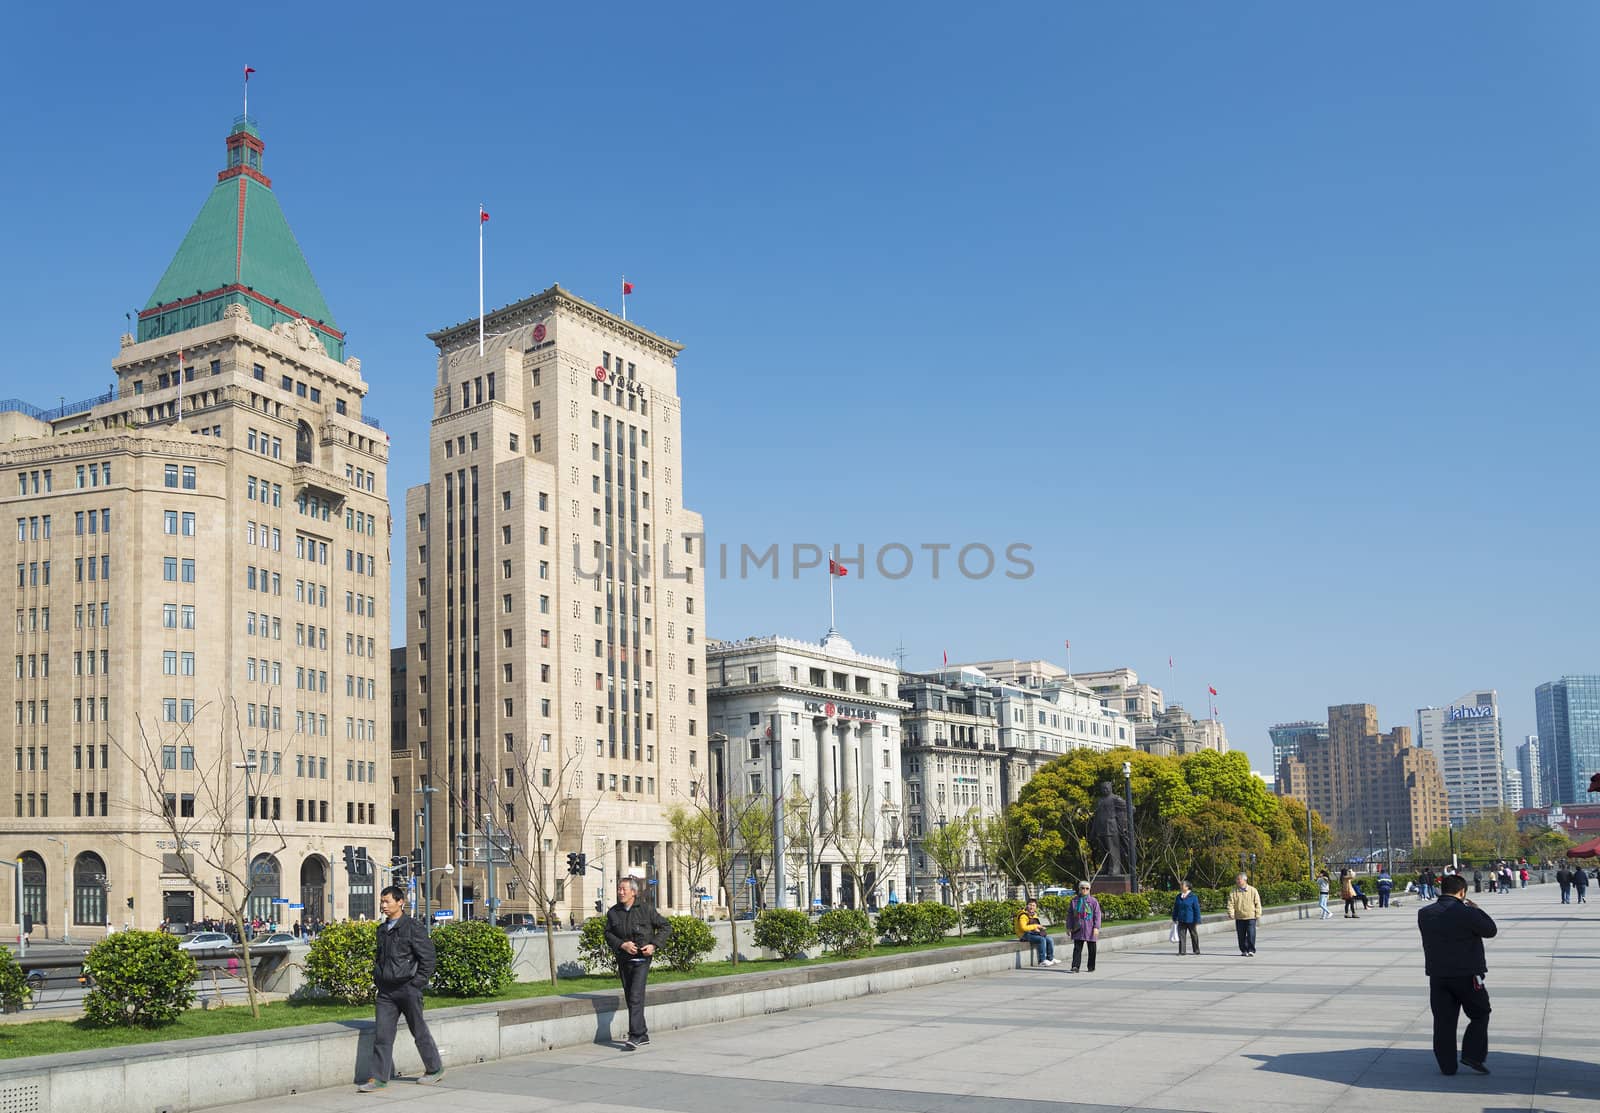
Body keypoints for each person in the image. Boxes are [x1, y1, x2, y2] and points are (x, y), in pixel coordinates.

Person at [357, 885, 444, 1093]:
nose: (383, 905)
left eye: (387, 901)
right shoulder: (382, 929)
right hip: (386, 992)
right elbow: (381, 958)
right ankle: (378, 1078)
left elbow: (428, 958)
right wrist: (379, 978)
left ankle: (434, 1069)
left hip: (408, 988)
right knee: (383, 1035)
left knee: (419, 1031)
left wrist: (417, 983)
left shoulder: (412, 927)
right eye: (382, 901)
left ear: (400, 902)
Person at [1417, 873, 1496, 1076]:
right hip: (1467, 974)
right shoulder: (1467, 913)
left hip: (1438, 975)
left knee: (1444, 1021)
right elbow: (1490, 930)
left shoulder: (1425, 913)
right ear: (1462, 892)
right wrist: (1478, 911)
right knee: (1480, 1013)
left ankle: (1447, 1066)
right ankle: (1472, 1054)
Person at [605, 876, 672, 1049]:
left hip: (642, 960)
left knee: (635, 995)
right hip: (624, 959)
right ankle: (642, 1034)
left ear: (633, 892)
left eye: (623, 889)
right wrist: (622, 945)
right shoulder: (613, 912)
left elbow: (665, 927)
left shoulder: (646, 909)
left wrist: (654, 945)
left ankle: (634, 1035)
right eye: (619, 889)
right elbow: (608, 934)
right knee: (631, 996)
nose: (620, 892)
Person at [1067, 881, 1102, 972]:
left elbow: (1097, 915)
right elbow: (1070, 915)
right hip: (1078, 928)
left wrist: (1096, 927)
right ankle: (1075, 966)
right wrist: (1069, 927)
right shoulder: (1074, 901)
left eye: (1087, 888)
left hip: (1090, 928)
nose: (1084, 890)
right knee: (1077, 948)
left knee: (1092, 949)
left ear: (1089, 890)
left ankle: (1091, 966)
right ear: (1079, 889)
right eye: (1082, 888)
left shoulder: (1093, 901)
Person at [1227, 872, 1262, 956]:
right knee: (1241, 936)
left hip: (1251, 916)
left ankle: (1251, 950)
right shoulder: (1233, 891)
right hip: (1239, 917)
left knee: (1251, 934)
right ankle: (1244, 950)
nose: (1238, 881)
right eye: (1237, 879)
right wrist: (1231, 913)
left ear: (1245, 880)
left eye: (1239, 879)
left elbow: (1257, 903)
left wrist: (1258, 914)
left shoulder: (1253, 890)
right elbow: (1230, 903)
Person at [1015, 899, 1055, 966]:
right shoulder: (1023, 915)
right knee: (1041, 939)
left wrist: (1039, 928)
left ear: (1036, 907)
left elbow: (1031, 925)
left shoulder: (1033, 914)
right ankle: (1042, 961)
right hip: (1023, 934)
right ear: (1026, 906)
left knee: (1049, 939)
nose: (1032, 907)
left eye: (1033, 905)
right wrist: (1036, 926)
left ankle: (1050, 958)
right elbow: (1023, 928)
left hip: (1031, 933)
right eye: (1030, 905)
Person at [1172, 879, 1201, 954]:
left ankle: (1196, 950)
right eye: (1180, 885)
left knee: (1194, 935)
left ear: (1187, 887)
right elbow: (1175, 908)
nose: (1181, 887)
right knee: (1181, 935)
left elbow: (1196, 909)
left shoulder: (1193, 896)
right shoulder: (1178, 896)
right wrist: (1174, 917)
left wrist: (1197, 920)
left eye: (1182, 885)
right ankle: (1182, 951)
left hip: (1191, 920)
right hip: (1181, 919)